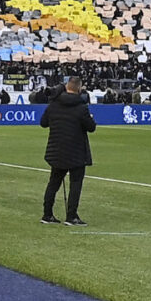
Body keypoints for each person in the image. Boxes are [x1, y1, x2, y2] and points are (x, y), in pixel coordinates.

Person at [40, 74, 97, 226]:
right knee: (75, 183)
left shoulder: (54, 104)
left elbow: (43, 123)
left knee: (53, 183)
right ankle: (71, 216)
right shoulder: (81, 107)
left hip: (56, 149)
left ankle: (47, 214)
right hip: (76, 151)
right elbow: (91, 127)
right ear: (79, 88)